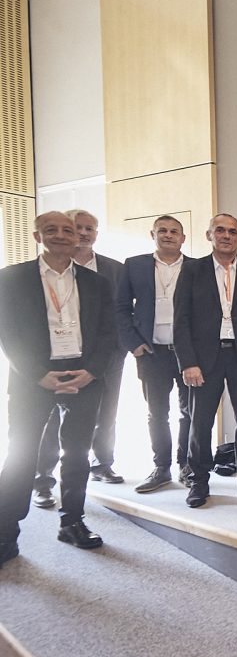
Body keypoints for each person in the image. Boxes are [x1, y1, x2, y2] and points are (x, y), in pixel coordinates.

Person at [0, 211, 119, 563]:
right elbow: (8, 332)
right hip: (33, 378)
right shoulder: (12, 278)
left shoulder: (97, 282)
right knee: (21, 455)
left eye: (68, 230)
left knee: (77, 453)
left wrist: (93, 371)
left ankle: (72, 522)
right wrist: (37, 374)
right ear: (37, 236)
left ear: (77, 237)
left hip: (83, 375)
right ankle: (6, 531)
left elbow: (109, 332)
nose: (62, 235)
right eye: (51, 230)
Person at [173, 213, 237, 508]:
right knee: (200, 422)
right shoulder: (192, 270)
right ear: (209, 235)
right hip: (204, 358)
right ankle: (198, 480)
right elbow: (181, 321)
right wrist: (188, 363)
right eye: (220, 230)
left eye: (232, 231)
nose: (226, 236)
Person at [33, 209, 125, 510]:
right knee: (51, 420)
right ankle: (43, 479)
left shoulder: (114, 269)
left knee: (106, 411)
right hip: (54, 360)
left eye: (89, 228)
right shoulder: (40, 272)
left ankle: (102, 463)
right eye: (79, 228)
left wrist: (118, 350)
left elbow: (121, 312)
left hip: (102, 357)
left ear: (96, 233)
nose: (84, 233)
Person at [116, 215, 193, 493]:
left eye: (174, 231)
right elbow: (121, 308)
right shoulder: (134, 265)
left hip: (188, 354)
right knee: (156, 413)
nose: (168, 235)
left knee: (189, 412)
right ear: (153, 235)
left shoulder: (196, 267)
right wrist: (134, 344)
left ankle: (187, 465)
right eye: (162, 230)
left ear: (183, 238)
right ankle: (161, 467)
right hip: (151, 352)